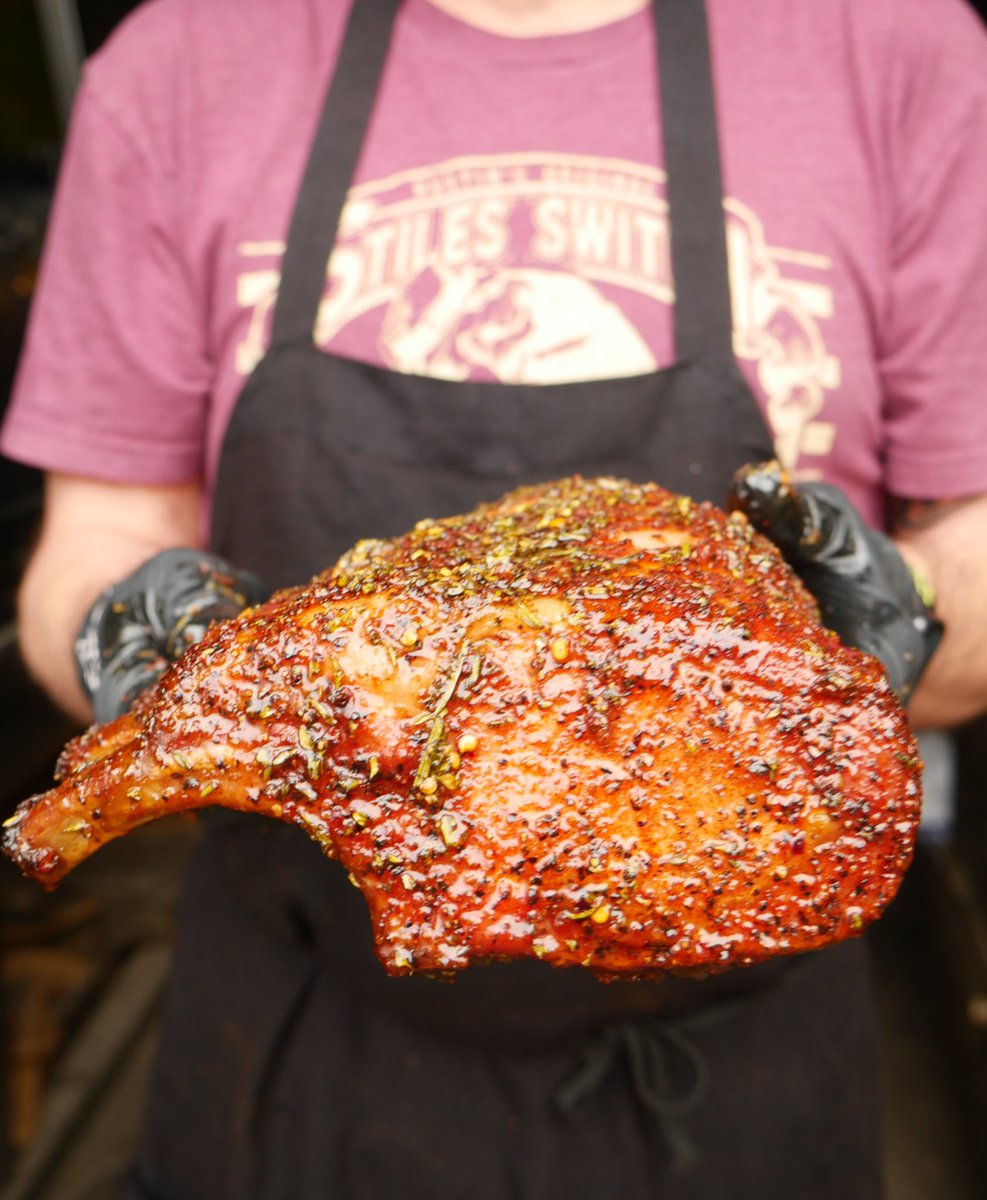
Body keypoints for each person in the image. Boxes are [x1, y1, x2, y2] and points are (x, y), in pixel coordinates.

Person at [3, 0, 987, 1195]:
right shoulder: (178, 60)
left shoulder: (900, 50)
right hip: (297, 1037)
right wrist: (132, 638)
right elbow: (93, 538)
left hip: (740, 1073)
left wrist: (908, 598)